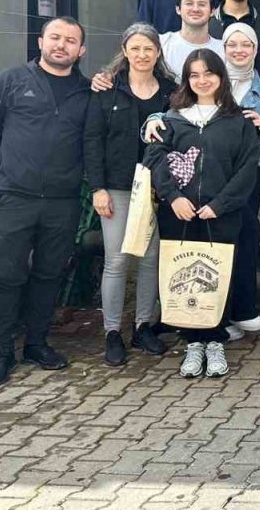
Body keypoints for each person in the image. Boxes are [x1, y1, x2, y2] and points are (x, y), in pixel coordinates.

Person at [0, 17, 90, 387]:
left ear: (81, 50)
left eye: (70, 41)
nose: (61, 45)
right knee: (8, 275)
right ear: (40, 41)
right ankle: (2, 353)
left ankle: (37, 344)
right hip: (14, 197)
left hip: (62, 200)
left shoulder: (88, 92)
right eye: (55, 37)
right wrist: (9, 171)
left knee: (48, 273)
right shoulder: (9, 83)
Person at [144, 49, 260, 378]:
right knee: (183, 277)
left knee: (217, 274)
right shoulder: (172, 118)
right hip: (178, 213)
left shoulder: (238, 121)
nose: (202, 80)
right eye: (194, 75)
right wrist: (173, 198)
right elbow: (156, 159)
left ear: (220, 77)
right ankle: (193, 343)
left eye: (208, 73)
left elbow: (246, 169)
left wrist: (220, 204)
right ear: (187, 80)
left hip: (221, 214)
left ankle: (215, 340)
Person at [84, 24, 176, 367]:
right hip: (119, 186)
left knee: (150, 258)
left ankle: (143, 326)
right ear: (125, 50)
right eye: (135, 48)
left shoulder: (170, 91)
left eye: (148, 49)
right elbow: (92, 140)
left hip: (156, 187)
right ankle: (112, 332)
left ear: (157, 53)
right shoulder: (107, 89)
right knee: (118, 259)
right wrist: (97, 188)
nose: (142, 55)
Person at [219, 23, 260, 340]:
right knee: (219, 242)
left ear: (255, 50)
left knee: (247, 238)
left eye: (245, 45)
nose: (239, 51)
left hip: (249, 174)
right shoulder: (207, 82)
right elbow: (177, 113)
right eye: (232, 45)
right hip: (214, 176)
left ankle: (244, 307)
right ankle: (218, 314)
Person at [162, 0, 225, 81]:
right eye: (189, 3)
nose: (195, 9)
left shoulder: (223, 50)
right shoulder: (163, 44)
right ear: (178, 9)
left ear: (212, 11)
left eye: (202, 4)